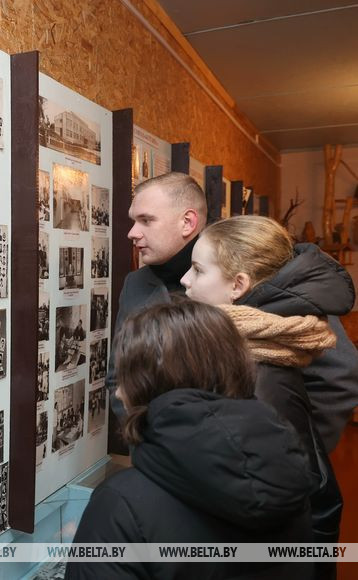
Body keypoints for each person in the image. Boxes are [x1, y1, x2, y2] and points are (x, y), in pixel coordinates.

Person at [109, 172, 358, 456]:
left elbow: (339, 375)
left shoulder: (261, 277)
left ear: (187, 222)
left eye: (146, 220)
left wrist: (293, 458)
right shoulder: (136, 284)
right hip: (164, 463)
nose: (132, 232)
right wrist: (149, 442)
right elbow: (119, 373)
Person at [66, 301, 315, 580]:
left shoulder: (121, 503)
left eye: (127, 377)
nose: (119, 393)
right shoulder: (286, 472)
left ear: (150, 384)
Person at [180, 215, 347, 559]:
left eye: (197, 270)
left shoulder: (259, 377)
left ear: (238, 286)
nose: (185, 280)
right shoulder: (238, 353)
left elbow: (293, 505)